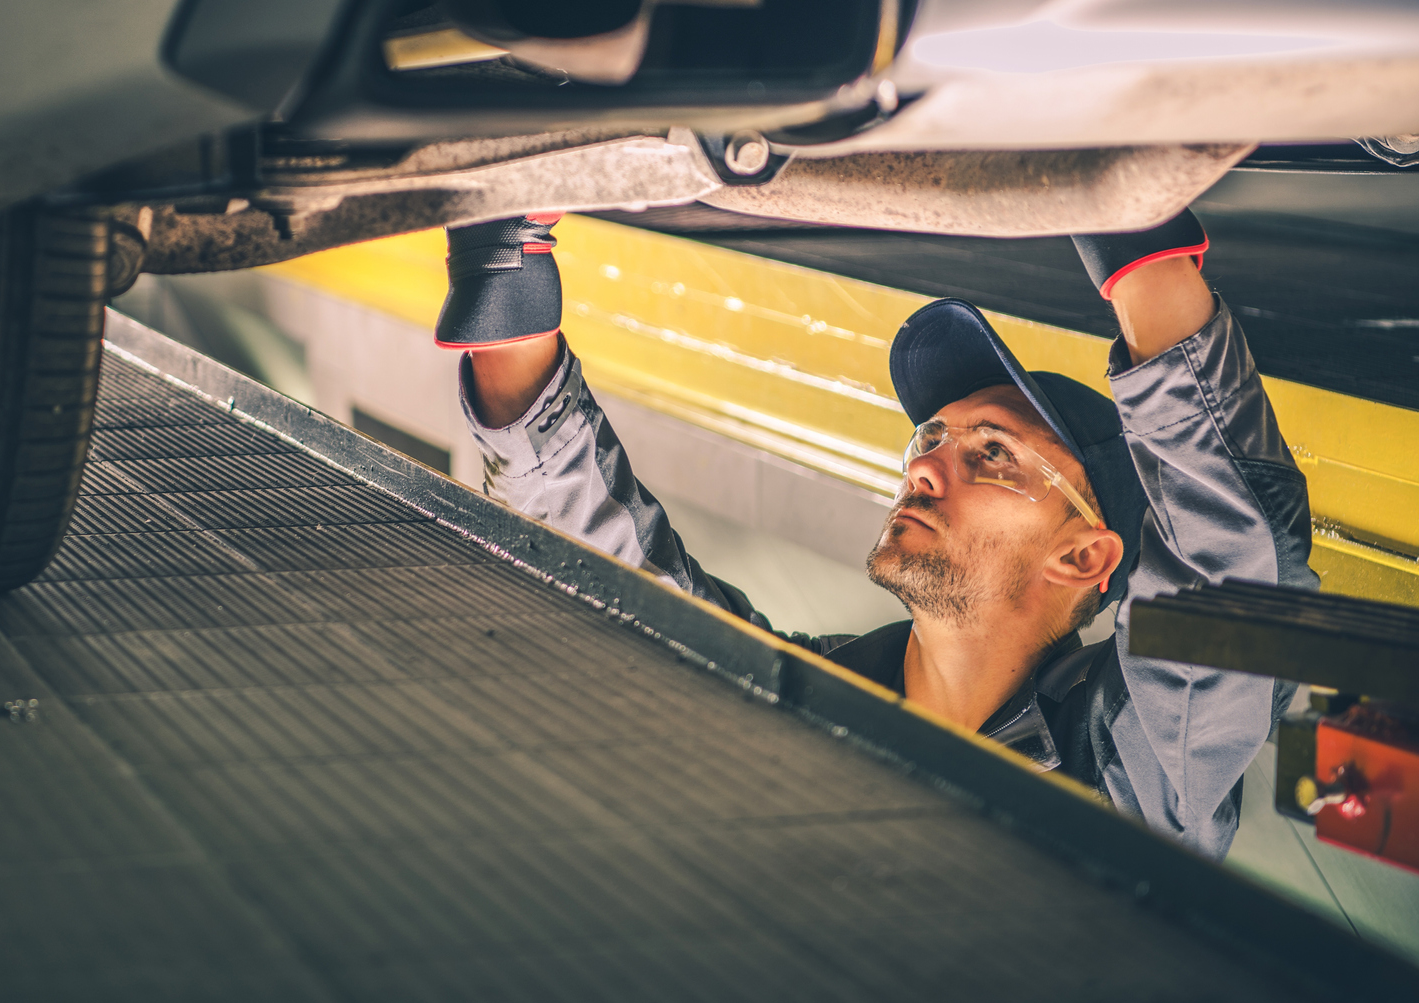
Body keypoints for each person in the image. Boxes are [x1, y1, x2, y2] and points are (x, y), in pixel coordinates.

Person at [436, 210, 1317, 858]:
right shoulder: (807, 693)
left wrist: (1136, 236)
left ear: (1083, 556)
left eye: (993, 454)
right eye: (929, 439)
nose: (925, 467)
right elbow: (609, 565)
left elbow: (1238, 578)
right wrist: (507, 264)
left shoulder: (1127, 788)